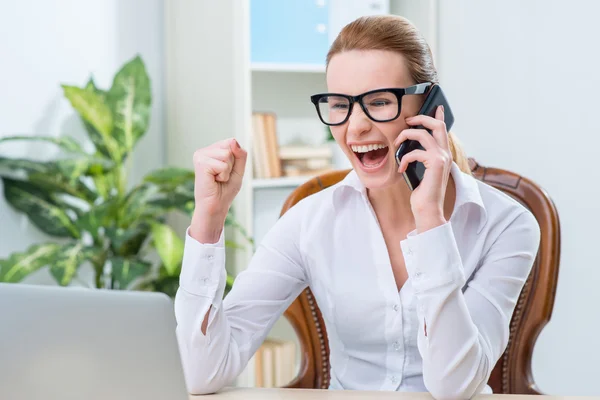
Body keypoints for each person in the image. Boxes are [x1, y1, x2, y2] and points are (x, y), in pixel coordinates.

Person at [173, 15, 540, 399]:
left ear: (432, 108)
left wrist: (430, 219)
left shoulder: (508, 225)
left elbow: (455, 386)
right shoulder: (309, 222)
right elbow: (204, 373)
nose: (355, 127)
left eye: (379, 102)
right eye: (339, 105)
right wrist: (209, 220)